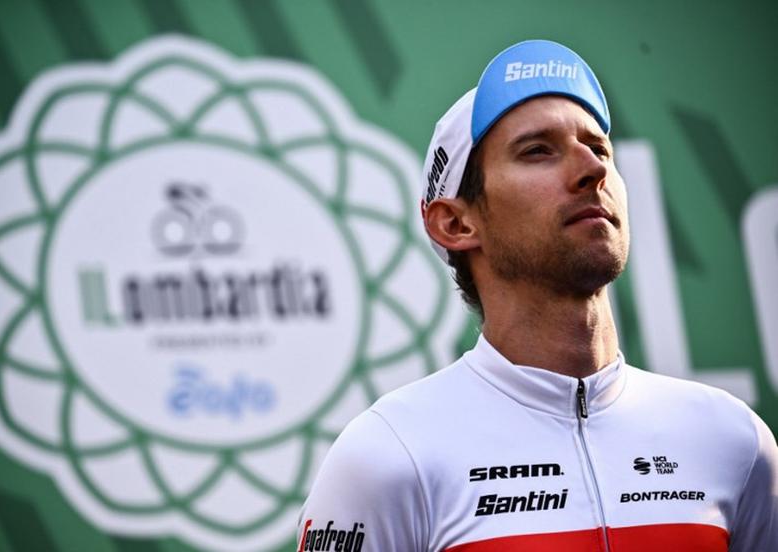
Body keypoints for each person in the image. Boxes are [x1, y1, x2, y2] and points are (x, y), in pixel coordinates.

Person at [297, 40, 777, 551]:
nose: (592, 170)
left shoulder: (734, 442)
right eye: (538, 151)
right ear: (456, 222)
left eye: (599, 148)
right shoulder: (388, 455)